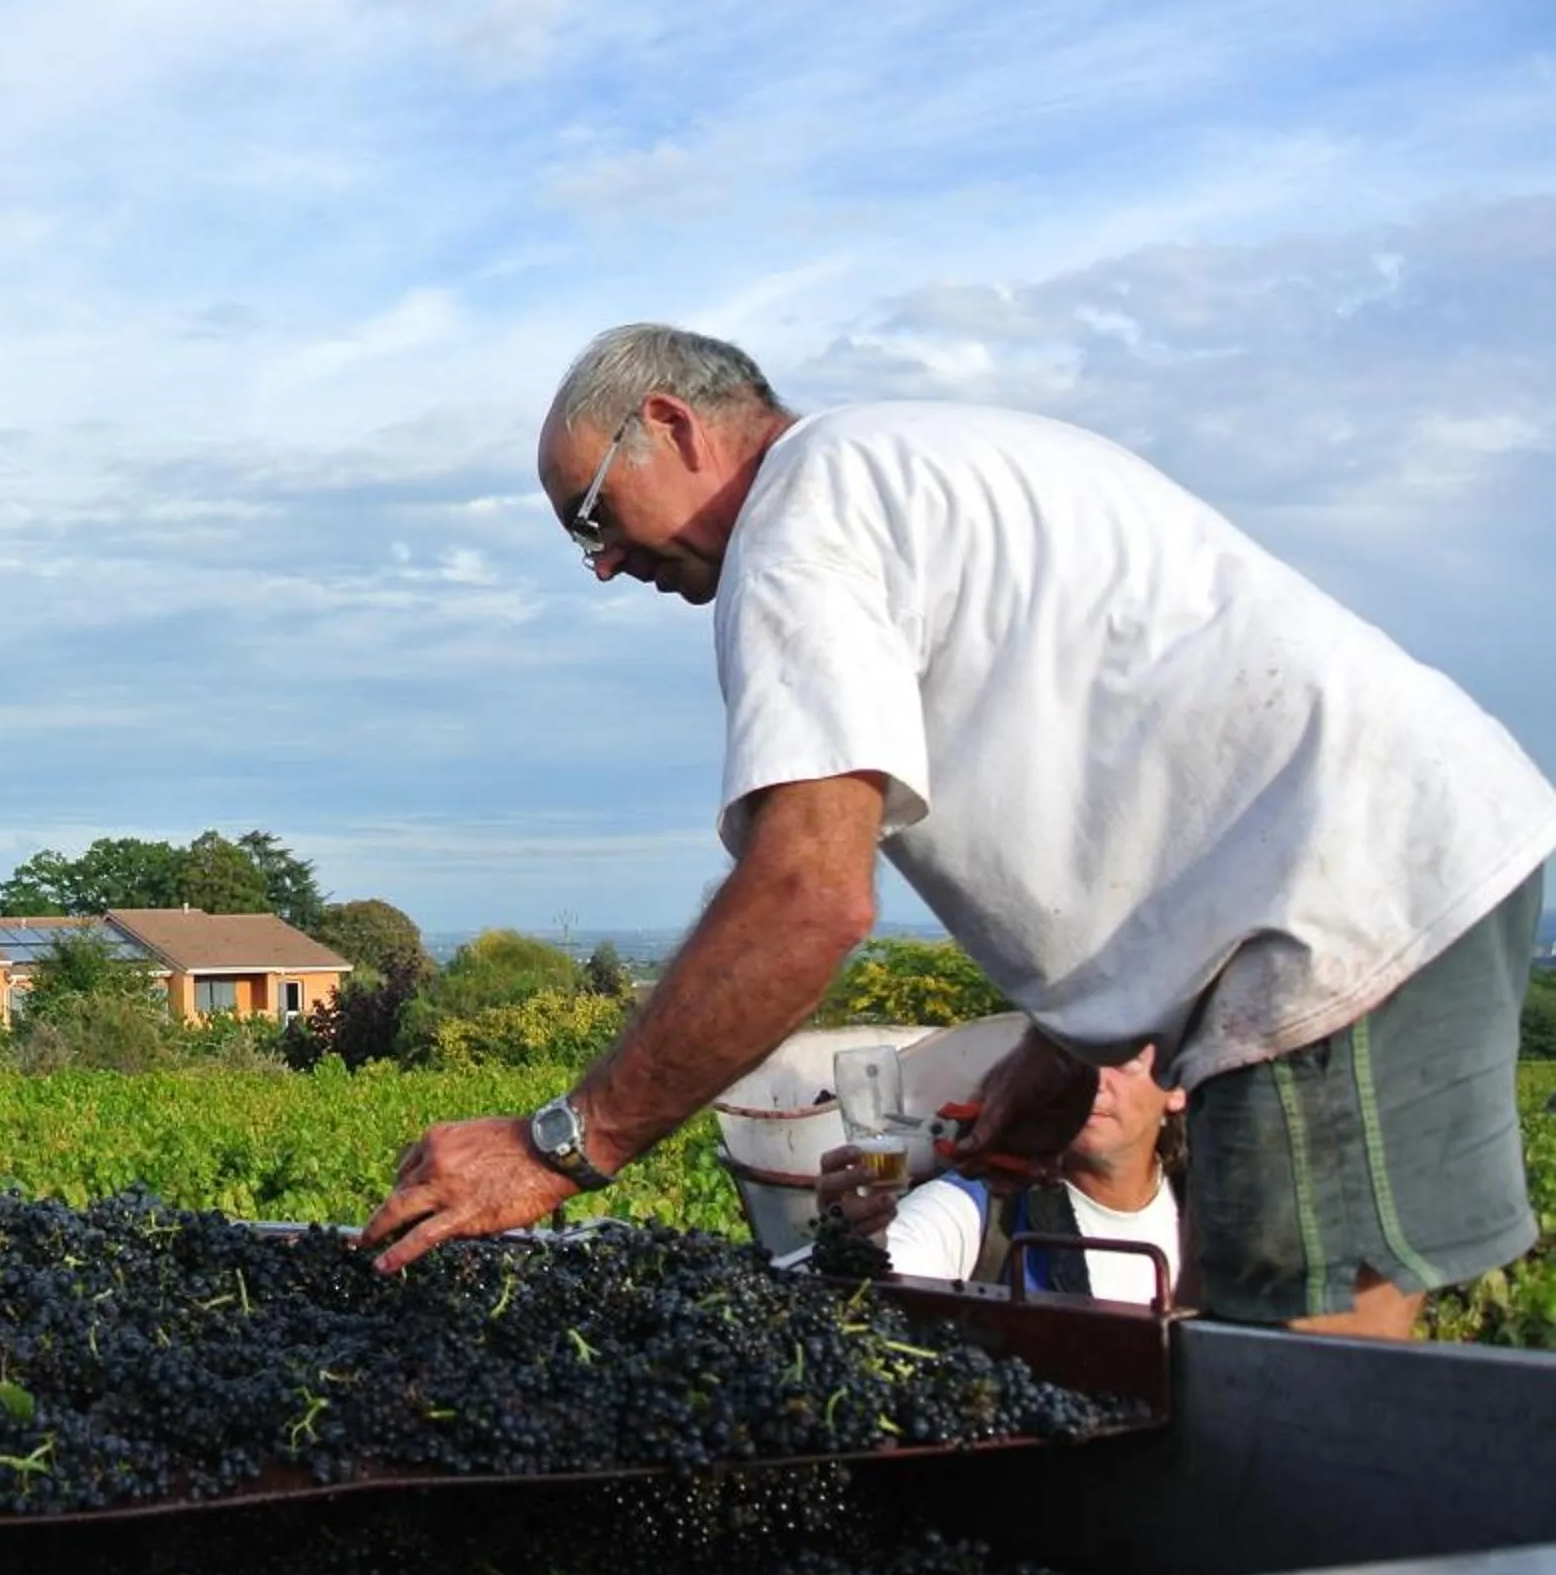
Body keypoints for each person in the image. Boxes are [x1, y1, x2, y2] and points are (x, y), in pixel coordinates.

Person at [362, 323, 1556, 1344]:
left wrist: (565, 1144)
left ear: (670, 425)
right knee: (1299, 1351)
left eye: (593, 515)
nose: (606, 563)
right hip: (1399, 843)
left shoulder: (800, 522)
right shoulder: (900, 466)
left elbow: (807, 895)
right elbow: (1136, 796)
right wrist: (1061, 1055)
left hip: (1339, 900)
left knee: (1298, 1388)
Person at [812, 1048, 1187, 1304]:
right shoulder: (977, 1209)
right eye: (1073, 1054)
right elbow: (881, 1296)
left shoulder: (1216, 1213)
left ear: (1177, 1086)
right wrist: (860, 1251)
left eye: (1122, 1058)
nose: (1092, 1081)